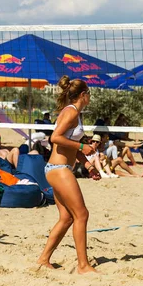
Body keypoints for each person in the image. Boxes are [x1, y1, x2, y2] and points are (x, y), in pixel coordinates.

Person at [37, 75, 97, 274]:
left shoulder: (76, 114)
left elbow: (71, 147)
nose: (90, 97)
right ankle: (83, 266)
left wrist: (88, 166)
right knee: (82, 214)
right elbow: (56, 138)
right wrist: (82, 145)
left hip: (60, 169)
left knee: (66, 218)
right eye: (89, 93)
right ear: (83, 95)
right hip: (58, 169)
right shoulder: (70, 112)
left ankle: (44, 259)